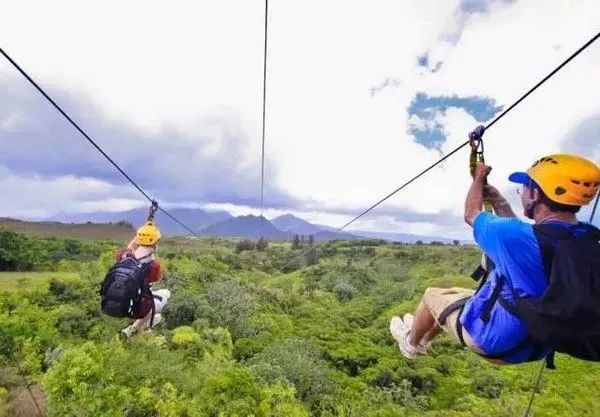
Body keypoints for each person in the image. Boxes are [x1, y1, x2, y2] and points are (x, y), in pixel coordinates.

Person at [390, 153, 600, 364]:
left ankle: (410, 343)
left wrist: (478, 177)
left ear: (535, 194)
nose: (522, 193)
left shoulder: (518, 236)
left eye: (525, 188)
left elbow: (471, 214)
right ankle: (424, 337)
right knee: (455, 294)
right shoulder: (584, 238)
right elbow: (524, 240)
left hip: (496, 340)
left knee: (431, 296)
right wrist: (498, 201)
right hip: (538, 343)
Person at [118, 220, 170, 338]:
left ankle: (137, 328)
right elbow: (156, 279)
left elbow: (131, 246)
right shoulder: (153, 266)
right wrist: (152, 252)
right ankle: (134, 329)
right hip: (135, 307)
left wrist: (144, 232)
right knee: (165, 294)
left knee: (148, 302)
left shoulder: (124, 256)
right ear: (155, 242)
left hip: (118, 300)